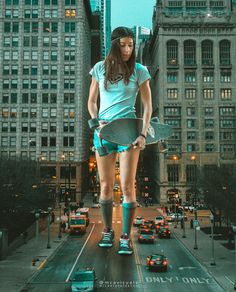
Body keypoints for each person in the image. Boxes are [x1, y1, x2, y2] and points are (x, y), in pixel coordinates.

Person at [88, 26, 152, 255]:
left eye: (131, 44)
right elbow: (91, 102)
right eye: (123, 45)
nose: (127, 49)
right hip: (104, 133)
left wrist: (143, 134)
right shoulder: (99, 69)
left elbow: (147, 106)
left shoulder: (139, 70)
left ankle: (125, 237)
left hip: (128, 132)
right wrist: (96, 122)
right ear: (114, 45)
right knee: (105, 186)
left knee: (127, 186)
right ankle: (107, 231)